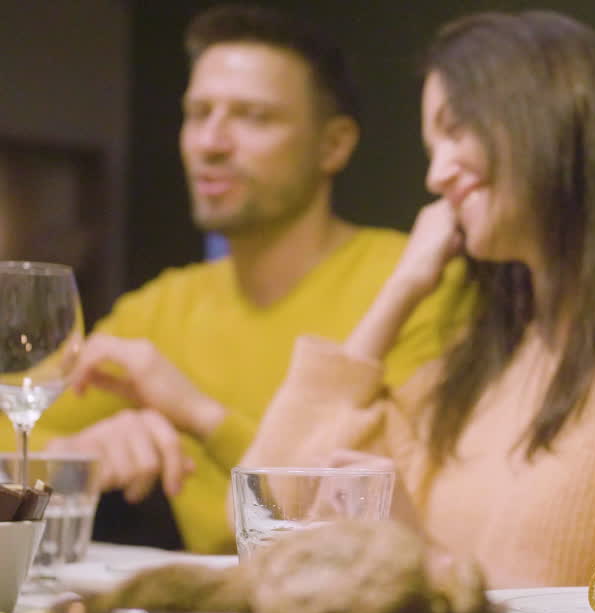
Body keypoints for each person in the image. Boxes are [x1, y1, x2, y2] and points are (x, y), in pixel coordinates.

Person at [243, 10, 595, 588]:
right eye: (429, 146)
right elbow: (274, 504)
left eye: (456, 127)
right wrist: (403, 286)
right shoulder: (491, 359)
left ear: (548, 113)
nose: (436, 175)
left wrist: (431, 563)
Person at [0, 4, 472, 554]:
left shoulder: (415, 283)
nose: (211, 143)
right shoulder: (161, 307)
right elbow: (18, 418)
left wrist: (200, 415)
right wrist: (73, 454)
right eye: (198, 113)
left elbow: (396, 507)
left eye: (253, 117)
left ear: (334, 145)